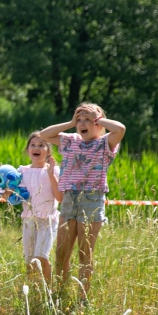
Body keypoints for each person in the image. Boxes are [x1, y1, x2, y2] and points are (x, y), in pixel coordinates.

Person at [39, 103, 125, 298]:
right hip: (69, 200)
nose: (83, 123)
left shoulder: (105, 143)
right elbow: (44, 134)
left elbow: (120, 129)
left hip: (91, 200)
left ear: (99, 123)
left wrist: (99, 118)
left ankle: (82, 299)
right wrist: (70, 122)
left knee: (85, 255)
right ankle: (60, 294)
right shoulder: (70, 140)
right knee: (61, 253)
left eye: (89, 120)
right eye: (80, 120)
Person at [13, 132, 62, 283]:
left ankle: (48, 288)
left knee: (41, 256)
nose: (37, 148)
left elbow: (60, 197)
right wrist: (7, 194)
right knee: (29, 259)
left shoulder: (54, 170)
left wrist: (51, 175)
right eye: (33, 145)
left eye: (42, 145)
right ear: (27, 150)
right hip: (28, 220)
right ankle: (33, 289)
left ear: (48, 151)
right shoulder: (21, 171)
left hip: (47, 221)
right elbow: (16, 197)